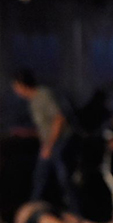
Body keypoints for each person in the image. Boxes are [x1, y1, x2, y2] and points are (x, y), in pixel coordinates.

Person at [11, 70, 80, 214]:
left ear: (22, 85)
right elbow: (45, 126)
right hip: (49, 143)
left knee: (63, 178)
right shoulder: (33, 101)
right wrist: (28, 133)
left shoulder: (43, 95)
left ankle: (75, 212)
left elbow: (59, 119)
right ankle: (33, 211)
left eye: (16, 87)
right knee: (40, 177)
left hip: (59, 142)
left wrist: (49, 145)